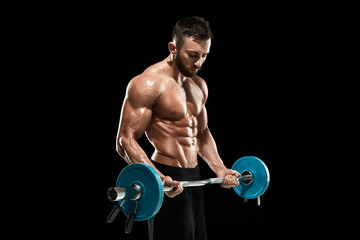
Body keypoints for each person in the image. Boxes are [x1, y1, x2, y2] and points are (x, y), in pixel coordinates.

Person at [116, 16, 240, 240]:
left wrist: (220, 169)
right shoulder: (148, 84)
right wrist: (157, 179)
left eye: (204, 56)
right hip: (167, 176)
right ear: (173, 47)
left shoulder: (199, 85)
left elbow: (201, 133)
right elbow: (125, 140)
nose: (198, 62)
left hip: (194, 178)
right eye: (192, 55)